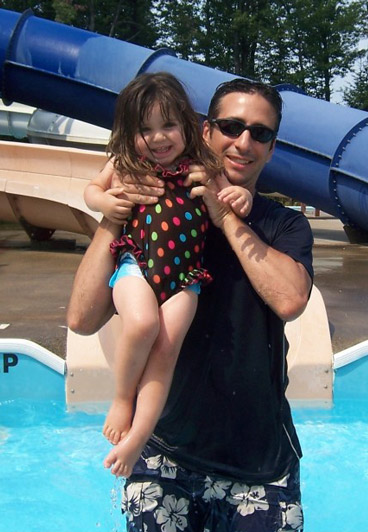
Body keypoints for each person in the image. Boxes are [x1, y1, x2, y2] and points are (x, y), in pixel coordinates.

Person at [67, 77, 313, 532]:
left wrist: (225, 217)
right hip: (163, 455)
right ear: (205, 132)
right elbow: (81, 318)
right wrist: (113, 215)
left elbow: (291, 300)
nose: (243, 142)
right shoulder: (153, 201)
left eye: (260, 133)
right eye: (231, 126)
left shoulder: (285, 225)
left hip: (258, 466)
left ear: (272, 148)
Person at [83, 72, 252, 478]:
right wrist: (104, 202)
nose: (158, 138)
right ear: (129, 132)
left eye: (168, 126)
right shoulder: (124, 162)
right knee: (141, 324)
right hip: (136, 264)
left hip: (185, 278)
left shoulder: (204, 165)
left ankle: (139, 434)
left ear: (187, 126)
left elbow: (232, 195)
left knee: (166, 348)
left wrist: (240, 195)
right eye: (145, 130)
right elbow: (91, 189)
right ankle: (123, 398)